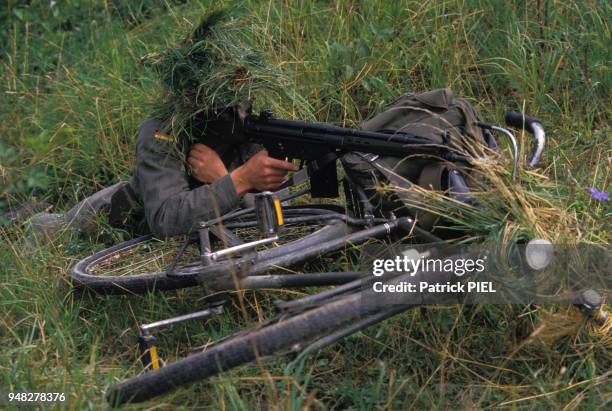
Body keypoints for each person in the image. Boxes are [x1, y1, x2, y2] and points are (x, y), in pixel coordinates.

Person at [27, 12, 299, 242]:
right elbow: (164, 219)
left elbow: (283, 213)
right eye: (222, 105)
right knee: (48, 229)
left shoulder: (248, 126)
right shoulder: (163, 128)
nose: (237, 113)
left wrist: (224, 178)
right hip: (111, 216)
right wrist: (239, 181)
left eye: (239, 99)